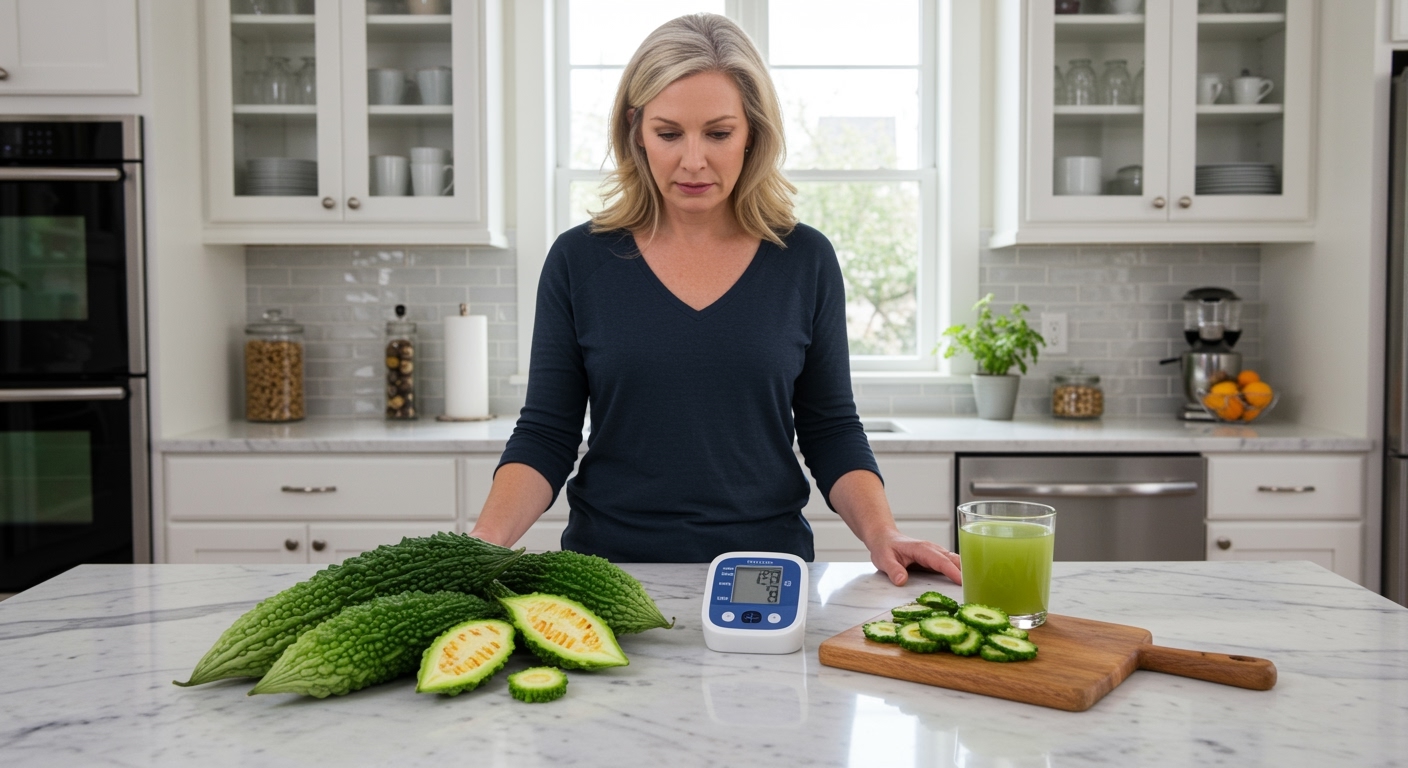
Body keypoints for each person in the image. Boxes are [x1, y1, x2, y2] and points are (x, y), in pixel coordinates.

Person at [469, 13, 960, 586]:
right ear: (636, 130)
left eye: (719, 133)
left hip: (764, 571)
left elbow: (830, 428)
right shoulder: (579, 260)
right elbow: (547, 433)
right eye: (669, 133)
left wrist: (884, 534)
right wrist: (483, 543)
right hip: (608, 571)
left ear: (752, 131)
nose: (693, 160)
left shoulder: (804, 259)